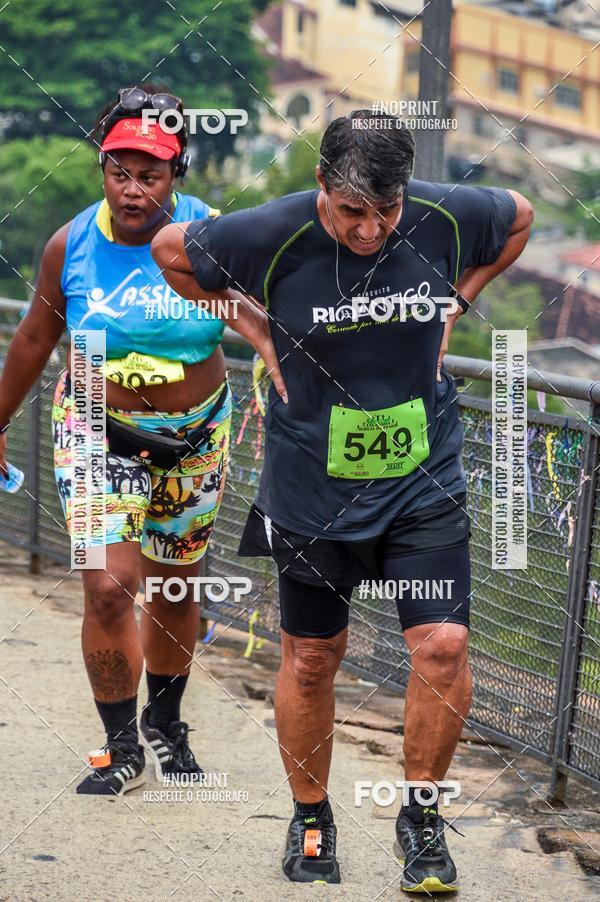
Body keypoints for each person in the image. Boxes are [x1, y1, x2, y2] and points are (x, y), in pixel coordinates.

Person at [152, 110, 533, 892]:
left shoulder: (444, 213)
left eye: (384, 212)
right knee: (315, 658)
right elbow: (171, 254)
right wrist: (253, 329)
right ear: (322, 185)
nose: (370, 229)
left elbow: (520, 219)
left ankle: (421, 820)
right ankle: (312, 814)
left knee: (443, 647)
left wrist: (461, 299)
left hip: (422, 479)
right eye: (352, 212)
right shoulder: (274, 232)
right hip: (311, 488)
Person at [0, 86, 233, 797]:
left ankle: (167, 724)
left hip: (195, 438)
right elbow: (38, 336)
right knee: (107, 586)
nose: (133, 191)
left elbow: (270, 316)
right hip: (99, 431)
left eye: (151, 175)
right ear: (102, 168)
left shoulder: (216, 238)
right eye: (119, 172)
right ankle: (121, 744)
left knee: (171, 585)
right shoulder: (70, 245)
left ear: (178, 173)